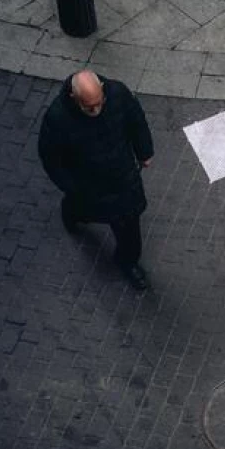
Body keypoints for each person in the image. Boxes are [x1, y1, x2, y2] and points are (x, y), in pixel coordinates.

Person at [38, 69, 154, 290]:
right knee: (84, 208)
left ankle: (127, 261)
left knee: (129, 224)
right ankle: (72, 212)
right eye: (89, 107)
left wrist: (144, 151)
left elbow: (136, 120)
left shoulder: (118, 94)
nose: (96, 110)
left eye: (99, 103)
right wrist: (72, 188)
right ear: (74, 98)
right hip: (88, 185)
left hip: (122, 176)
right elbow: (51, 159)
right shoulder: (58, 118)